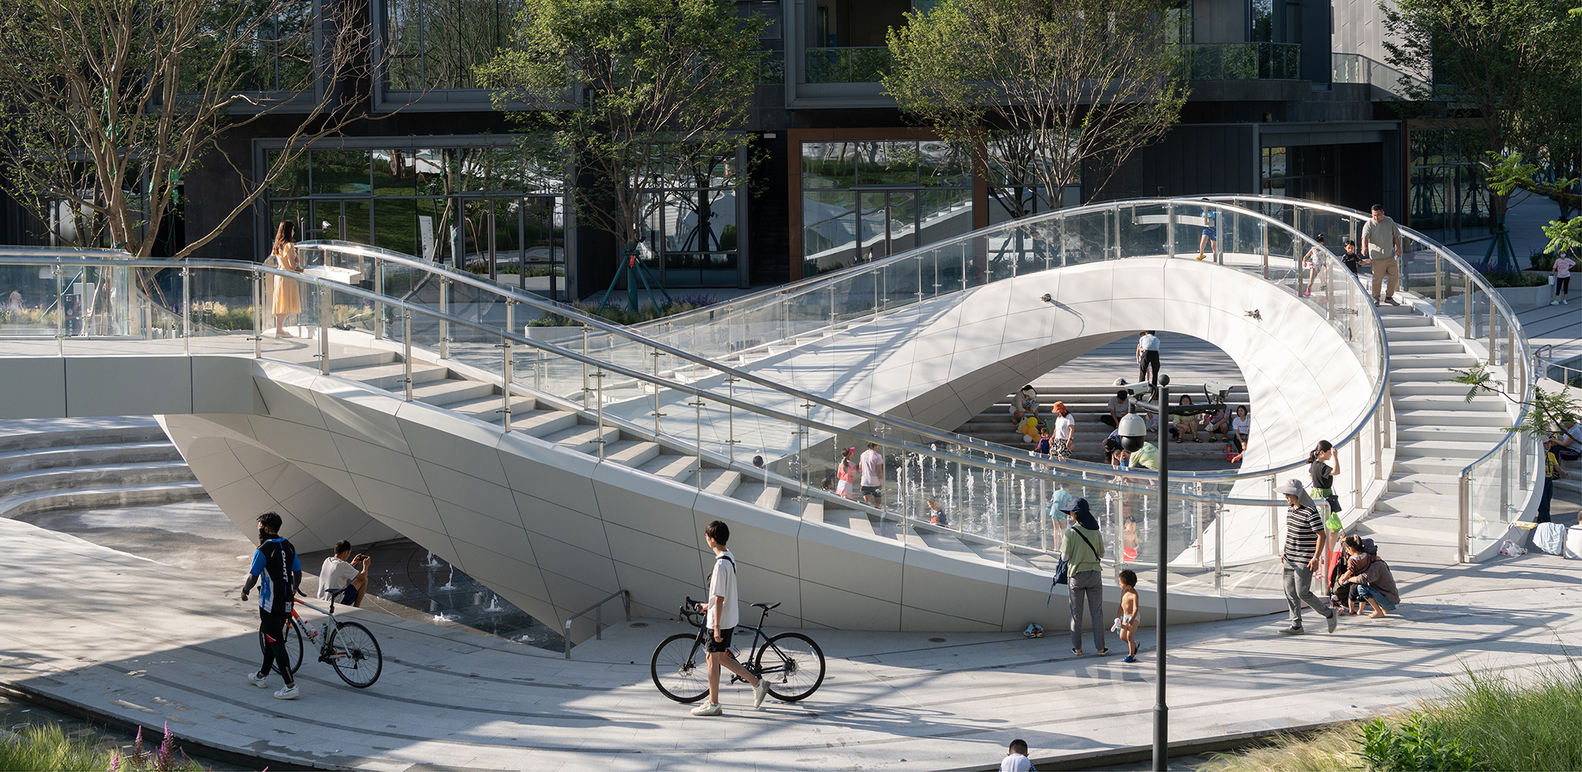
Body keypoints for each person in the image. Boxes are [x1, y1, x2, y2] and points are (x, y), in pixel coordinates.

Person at [690, 520, 768, 716]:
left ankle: (714, 704)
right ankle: (757, 683)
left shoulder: (720, 565)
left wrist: (715, 626)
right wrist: (708, 605)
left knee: (712, 659)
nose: (706, 539)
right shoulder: (729, 557)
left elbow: (720, 597)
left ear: (713, 539)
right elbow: (721, 596)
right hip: (728, 617)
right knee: (720, 657)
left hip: (720, 621)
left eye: (707, 536)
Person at [241, 512, 303, 700]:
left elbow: (253, 576)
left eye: (260, 527)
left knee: (275, 642)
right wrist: (294, 587)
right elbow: (297, 570)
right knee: (271, 636)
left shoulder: (263, 550)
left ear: (266, 529)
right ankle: (262, 676)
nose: (259, 530)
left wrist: (245, 590)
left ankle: (290, 685)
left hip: (269, 604)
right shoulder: (288, 545)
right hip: (285, 602)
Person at [1274, 480, 1337, 635]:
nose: (1286, 497)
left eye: (1288, 494)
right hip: (1290, 557)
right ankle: (1296, 625)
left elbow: (1321, 535)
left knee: (1303, 592)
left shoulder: (1310, 512)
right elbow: (1290, 531)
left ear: (1297, 494)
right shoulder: (1290, 510)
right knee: (1289, 591)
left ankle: (1329, 613)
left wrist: (1315, 558)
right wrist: (1284, 550)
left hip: (1304, 560)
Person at [1060, 497, 1107, 656]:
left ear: (1076, 514)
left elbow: (1064, 557)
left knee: (1076, 613)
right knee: (1097, 613)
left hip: (1076, 576)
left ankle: (1077, 648)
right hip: (1094, 575)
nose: (1070, 514)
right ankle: (1100, 648)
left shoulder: (1070, 533)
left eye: (1072, 512)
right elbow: (1101, 553)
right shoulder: (1096, 531)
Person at [1337, 535, 1400, 618]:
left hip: (1391, 603)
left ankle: (1379, 612)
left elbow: (1362, 579)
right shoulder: (1374, 561)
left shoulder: (1376, 566)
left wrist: (1347, 579)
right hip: (1393, 601)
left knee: (1361, 588)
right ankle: (1383, 608)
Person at [1360, 204, 1402, 306]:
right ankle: (1376, 298)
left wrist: (1398, 248)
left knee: (1394, 276)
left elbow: (1396, 235)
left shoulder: (1389, 221)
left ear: (1383, 213)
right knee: (1377, 278)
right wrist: (1364, 247)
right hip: (1377, 257)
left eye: (1378, 215)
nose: (1376, 217)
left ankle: (1389, 297)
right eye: (1374, 215)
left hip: (1390, 255)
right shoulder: (1369, 224)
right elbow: (1364, 237)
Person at [270, 220, 303, 338]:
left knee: (281, 301)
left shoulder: (278, 244)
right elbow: (292, 264)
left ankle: (279, 329)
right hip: (287, 276)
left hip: (279, 274)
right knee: (286, 303)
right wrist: (297, 259)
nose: (294, 231)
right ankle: (279, 330)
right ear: (289, 230)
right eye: (293, 229)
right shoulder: (289, 245)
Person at [1332, 534, 1378, 614]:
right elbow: (1372, 558)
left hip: (1354, 581)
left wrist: (1342, 579)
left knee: (1352, 596)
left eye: (1347, 549)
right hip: (1364, 580)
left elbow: (1350, 571)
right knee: (1362, 597)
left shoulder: (1352, 560)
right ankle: (1360, 610)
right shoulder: (1366, 555)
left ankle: (1351, 609)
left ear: (1351, 548)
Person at [317, 540, 370, 608]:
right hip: (338, 601)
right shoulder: (342, 565)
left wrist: (353, 563)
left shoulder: (327, 560)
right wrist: (366, 566)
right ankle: (356, 608)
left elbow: (341, 571)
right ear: (345, 552)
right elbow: (362, 577)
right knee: (364, 581)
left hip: (322, 599)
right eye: (349, 553)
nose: (348, 555)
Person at [1307, 440, 1341, 521]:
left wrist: (1315, 482)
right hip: (1324, 494)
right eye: (1329, 452)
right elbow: (1336, 471)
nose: (1330, 454)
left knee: (1318, 518)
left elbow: (1309, 473)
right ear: (1322, 452)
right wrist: (1335, 457)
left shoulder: (1314, 464)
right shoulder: (1322, 466)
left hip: (1315, 492)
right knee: (1328, 520)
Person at [1538, 439, 1566, 523]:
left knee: (1547, 502)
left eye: (1549, 443)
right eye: (1545, 444)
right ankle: (1546, 522)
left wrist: (1564, 473)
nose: (1548, 445)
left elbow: (1557, 467)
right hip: (1542, 480)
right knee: (1544, 504)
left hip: (1549, 480)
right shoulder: (1540, 456)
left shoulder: (1551, 455)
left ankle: (1541, 521)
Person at [1115, 569, 1140, 662]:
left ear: (1129, 586)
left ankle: (1131, 655)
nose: (1119, 584)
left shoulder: (1134, 594)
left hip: (1133, 617)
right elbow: (1121, 605)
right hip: (1125, 617)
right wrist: (1118, 616)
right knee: (1122, 636)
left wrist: (1132, 619)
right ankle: (1135, 645)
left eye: (1121, 583)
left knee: (1129, 636)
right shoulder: (1123, 591)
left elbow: (1135, 609)